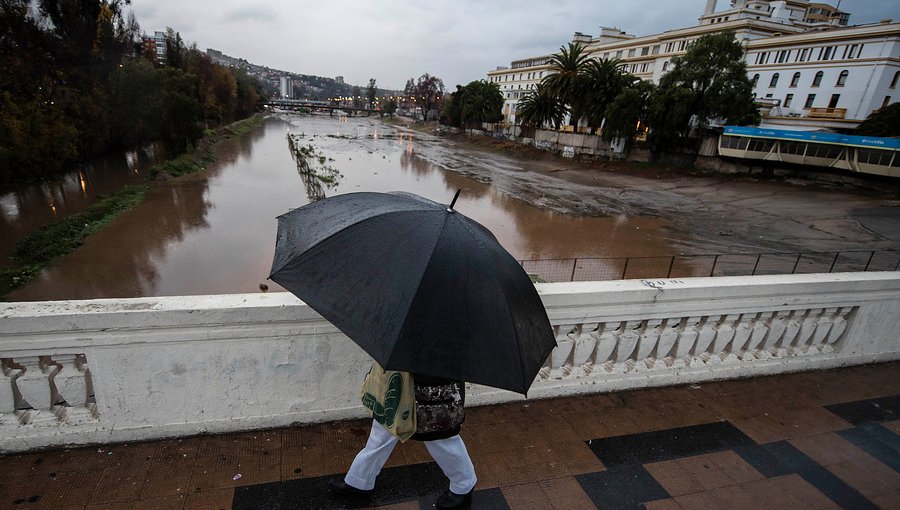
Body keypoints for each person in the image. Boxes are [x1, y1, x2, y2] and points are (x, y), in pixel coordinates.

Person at [328, 372, 477, 509]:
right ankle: (359, 480)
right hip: (400, 371)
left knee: (439, 437)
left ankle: (464, 484)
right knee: (384, 427)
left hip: (435, 377)